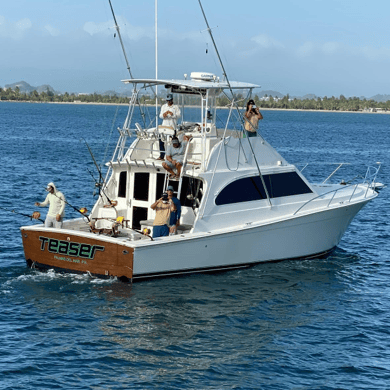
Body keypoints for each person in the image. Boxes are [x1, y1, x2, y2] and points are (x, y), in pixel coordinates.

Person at [157, 94, 181, 160]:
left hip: (172, 127)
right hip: (164, 127)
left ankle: (173, 156)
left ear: (172, 100)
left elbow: (179, 115)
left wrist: (172, 114)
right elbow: (160, 116)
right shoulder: (164, 107)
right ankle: (162, 155)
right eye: (167, 101)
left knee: (173, 142)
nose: (168, 102)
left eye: (169, 100)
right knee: (161, 140)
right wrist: (164, 114)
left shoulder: (175, 107)